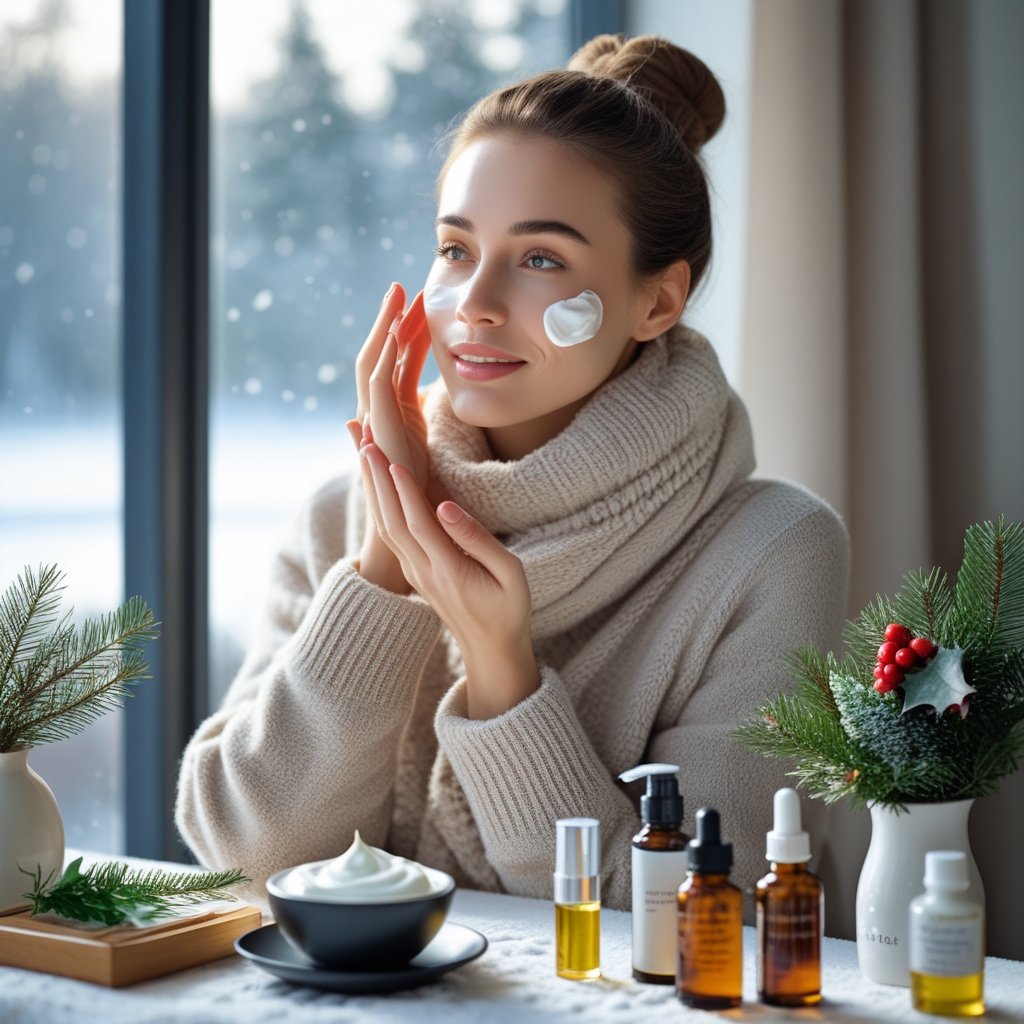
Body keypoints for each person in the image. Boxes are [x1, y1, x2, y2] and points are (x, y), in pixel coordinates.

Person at [176, 34, 849, 910]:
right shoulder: (339, 518)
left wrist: (504, 667)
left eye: (541, 259)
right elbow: (246, 858)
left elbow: (699, 917)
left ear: (658, 301)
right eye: (455, 250)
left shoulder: (773, 553)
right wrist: (388, 562)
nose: (476, 305)